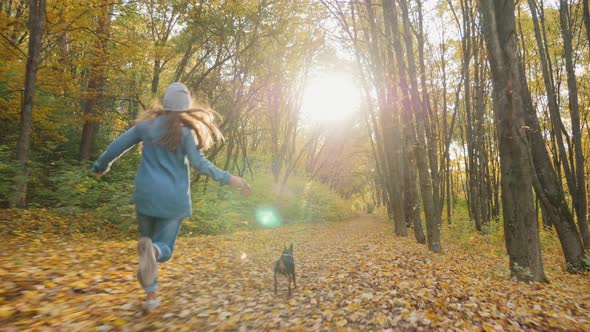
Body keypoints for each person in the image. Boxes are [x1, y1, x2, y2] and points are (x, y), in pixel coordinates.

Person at [91, 82, 252, 311]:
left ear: (165, 104)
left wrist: (100, 165)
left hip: (145, 196)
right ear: (186, 109)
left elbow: (117, 146)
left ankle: (151, 296)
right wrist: (230, 179)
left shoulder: (145, 126)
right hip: (173, 200)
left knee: (147, 248)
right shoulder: (186, 134)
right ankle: (154, 252)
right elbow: (200, 164)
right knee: (161, 249)